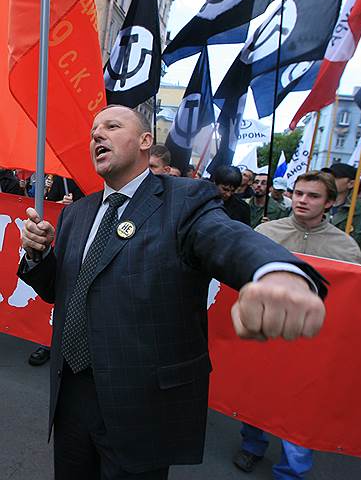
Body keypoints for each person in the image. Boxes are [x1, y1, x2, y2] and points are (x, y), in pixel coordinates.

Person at [19, 105, 326, 480]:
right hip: (71, 394)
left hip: (140, 400)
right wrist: (39, 255)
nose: (97, 135)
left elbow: (225, 238)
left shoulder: (184, 199)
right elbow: (59, 292)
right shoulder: (76, 213)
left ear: (147, 141)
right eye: (93, 131)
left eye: (112, 126)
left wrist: (273, 271)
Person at [233, 171, 361, 479]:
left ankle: (291, 471)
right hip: (267, 337)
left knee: (303, 408)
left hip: (313, 344)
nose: (303, 200)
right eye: (299, 193)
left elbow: (349, 305)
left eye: (313, 196)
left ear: (330, 203)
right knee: (257, 396)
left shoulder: (346, 249)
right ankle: (252, 446)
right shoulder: (266, 234)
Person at [28, 176, 85, 367]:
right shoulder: (61, 178)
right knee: (56, 289)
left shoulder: (90, 176)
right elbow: (50, 200)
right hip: (58, 233)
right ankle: (47, 343)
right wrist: (58, 203)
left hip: (81, 240)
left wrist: (76, 204)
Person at [321, 163, 361, 265]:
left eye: (335, 177)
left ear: (351, 184)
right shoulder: (317, 205)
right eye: (327, 176)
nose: (328, 179)